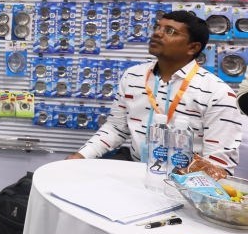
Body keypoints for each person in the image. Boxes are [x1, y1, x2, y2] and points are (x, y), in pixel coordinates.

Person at [68, 10, 244, 172]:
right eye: (157, 27)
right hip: (136, 174)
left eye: (170, 31)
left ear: (193, 47)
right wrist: (82, 155)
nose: (157, 33)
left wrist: (177, 186)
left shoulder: (218, 93)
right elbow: (116, 128)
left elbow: (218, 164)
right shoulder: (133, 76)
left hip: (186, 185)